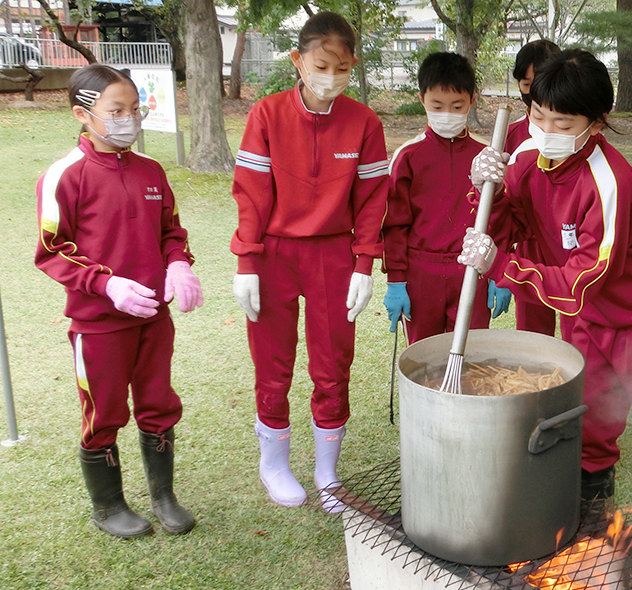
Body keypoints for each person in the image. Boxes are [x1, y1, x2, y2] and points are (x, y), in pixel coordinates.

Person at [461, 49, 632, 590]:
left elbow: (586, 278)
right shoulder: (529, 156)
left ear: (595, 124)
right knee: (591, 432)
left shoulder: (611, 181)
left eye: (565, 123)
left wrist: (501, 267)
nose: (547, 131)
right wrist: (483, 187)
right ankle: (598, 532)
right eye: (539, 117)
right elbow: (511, 221)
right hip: (589, 327)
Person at [35, 64, 203, 539]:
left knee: (158, 403)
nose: (129, 118)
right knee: (104, 411)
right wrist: (105, 285)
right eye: (116, 110)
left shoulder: (150, 170)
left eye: (134, 109)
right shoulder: (64, 176)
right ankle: (108, 506)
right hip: (99, 323)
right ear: (82, 114)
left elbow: (171, 231)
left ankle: (163, 495)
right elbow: (51, 250)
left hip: (153, 317)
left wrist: (178, 264)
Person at [231, 12, 389, 511]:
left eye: (342, 69)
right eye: (321, 65)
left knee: (332, 364)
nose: (331, 78)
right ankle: (274, 464)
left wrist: (364, 263)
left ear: (352, 67)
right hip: (275, 253)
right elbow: (251, 194)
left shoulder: (364, 122)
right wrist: (247, 261)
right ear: (299, 60)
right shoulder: (267, 115)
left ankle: (327, 471)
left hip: (334, 254)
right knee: (273, 363)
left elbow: (371, 199)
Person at [381, 51, 511, 343]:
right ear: (422, 99)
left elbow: (498, 218)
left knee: (471, 356)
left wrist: (499, 274)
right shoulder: (407, 157)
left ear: (472, 101)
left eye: (457, 106)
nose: (447, 114)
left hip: (471, 271)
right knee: (423, 359)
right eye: (437, 106)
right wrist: (397, 281)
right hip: (420, 273)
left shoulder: (485, 156)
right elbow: (394, 224)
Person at [506, 39, 560, 338]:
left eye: (540, 81)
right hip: (529, 246)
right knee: (532, 334)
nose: (533, 92)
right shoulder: (511, 134)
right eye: (526, 84)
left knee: (582, 325)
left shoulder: (574, 130)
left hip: (570, 243)